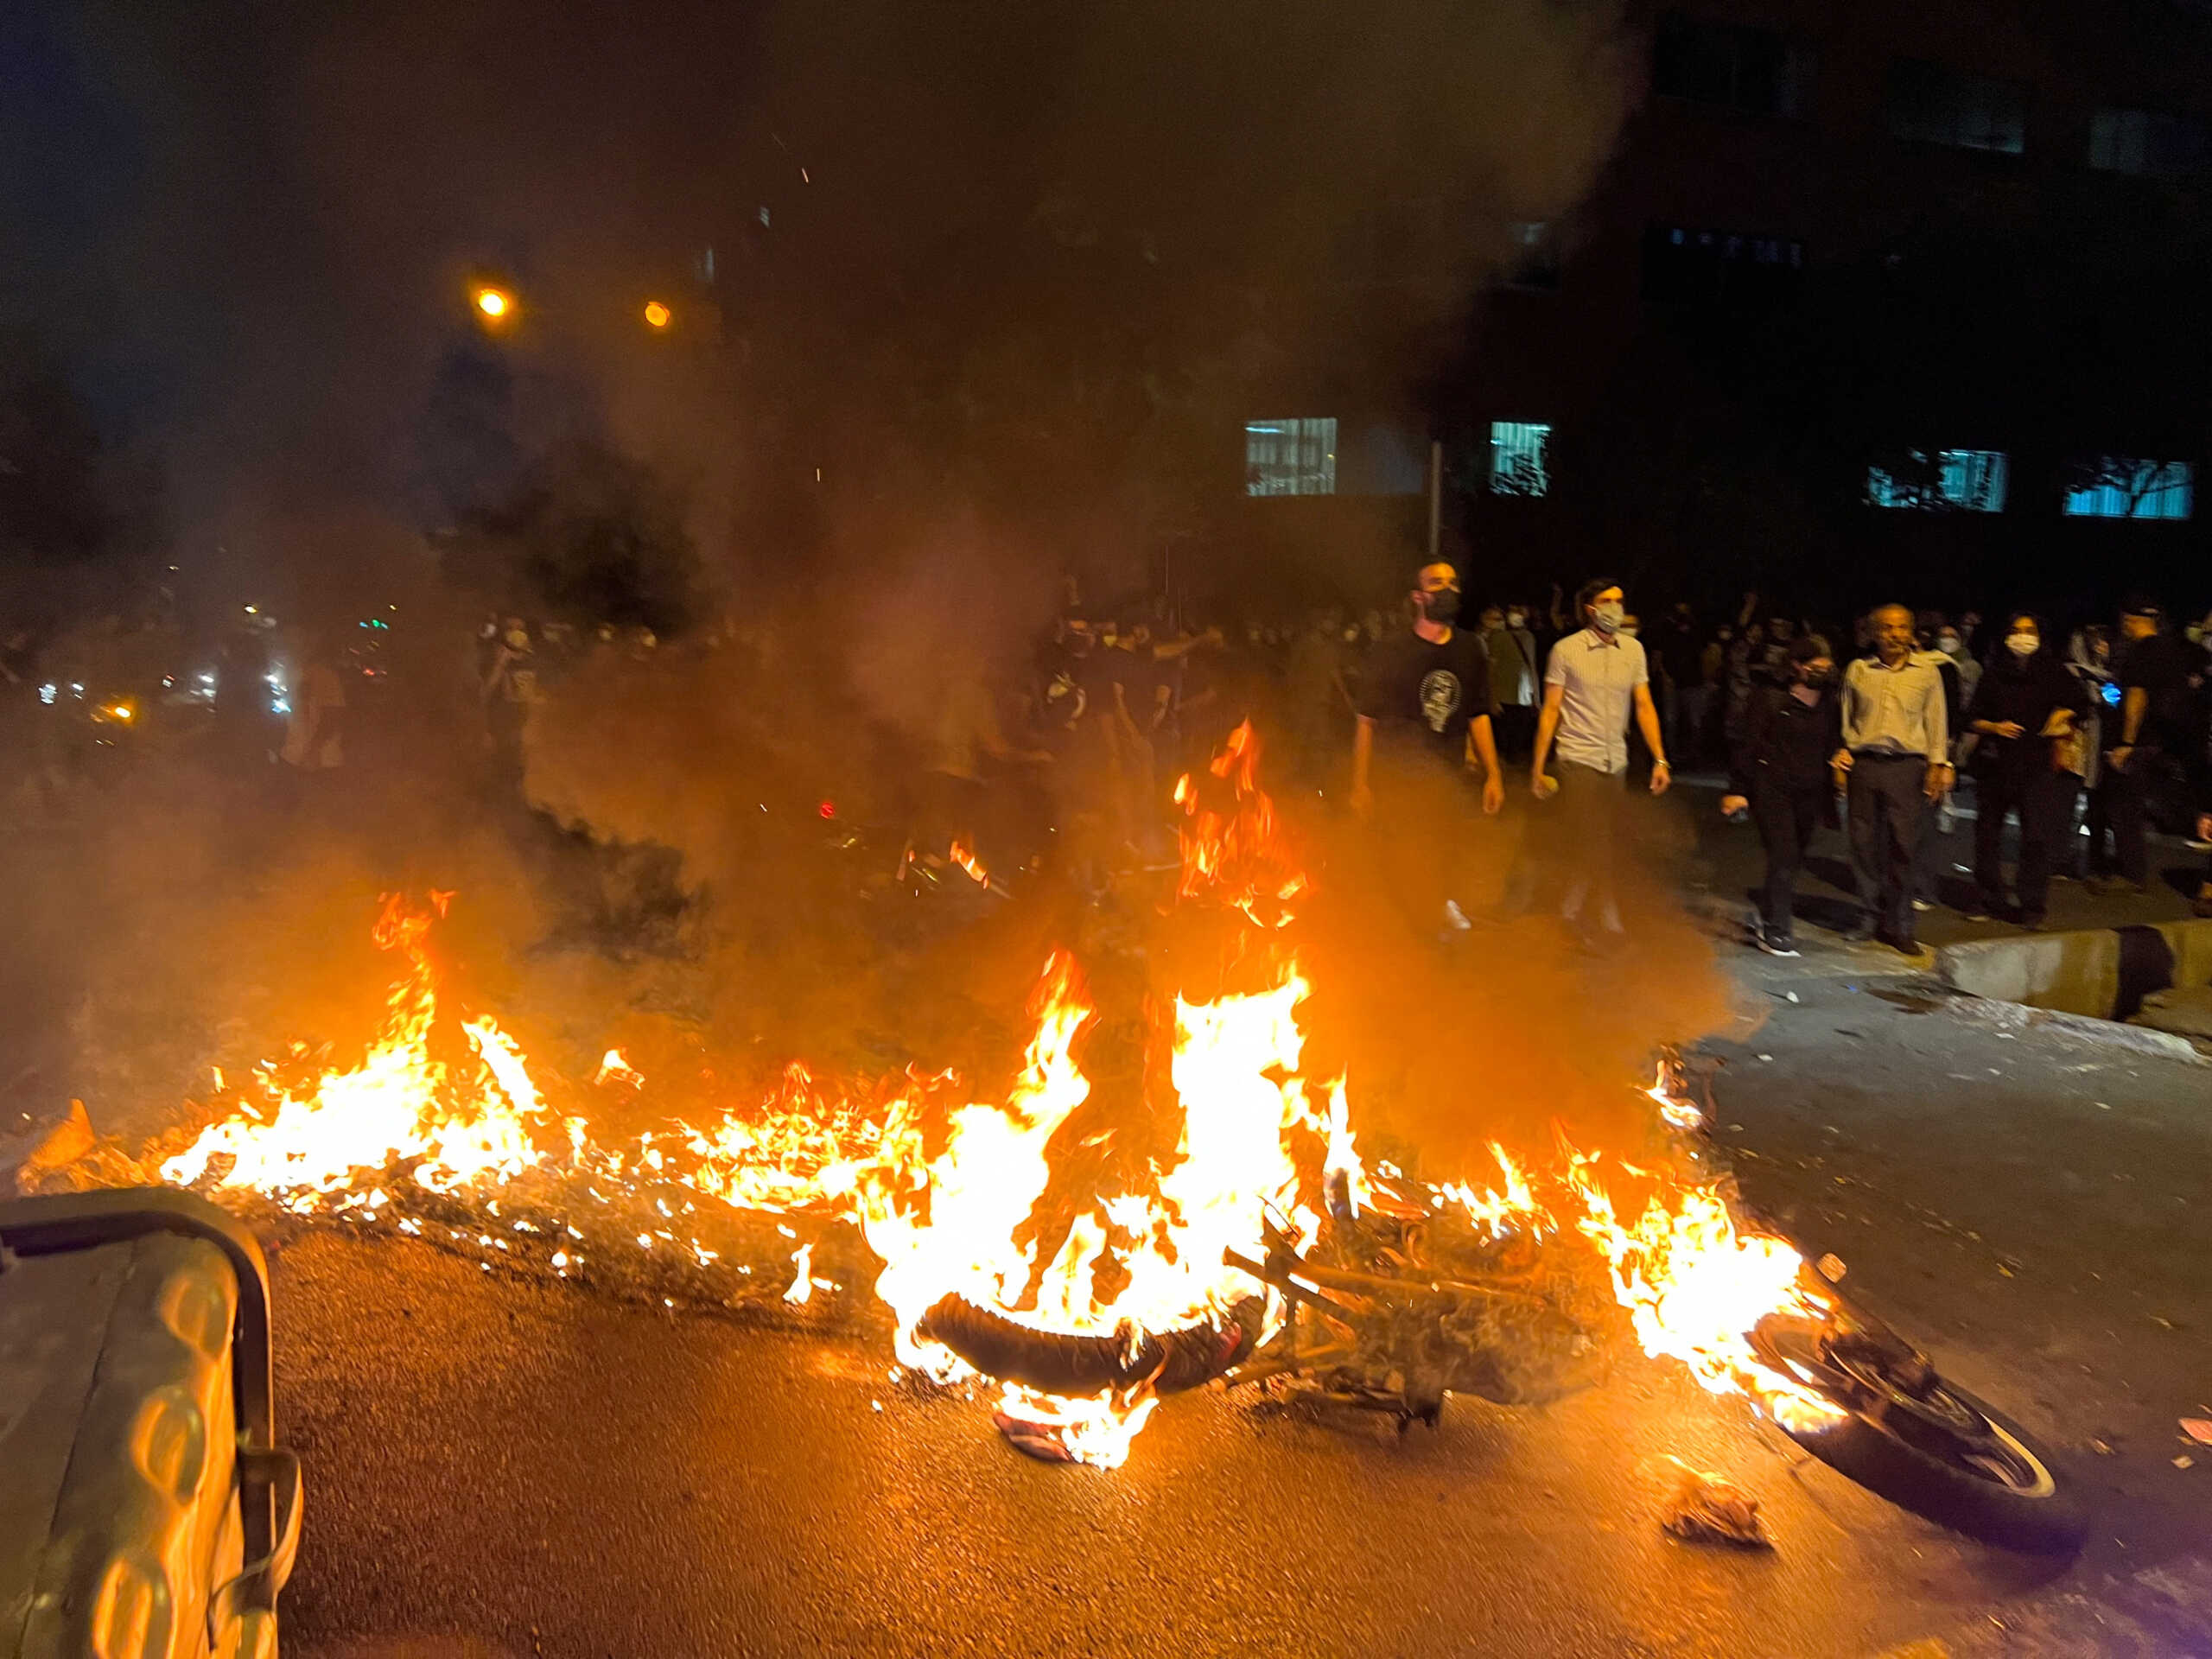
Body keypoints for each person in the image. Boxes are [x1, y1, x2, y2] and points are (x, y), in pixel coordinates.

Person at [1351, 561, 1505, 931]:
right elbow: (1365, 720)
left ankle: (1435, 915)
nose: (1447, 589)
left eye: (1452, 582)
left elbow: (1478, 715)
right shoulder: (1390, 650)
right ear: (1418, 597)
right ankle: (1405, 929)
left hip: (1448, 773)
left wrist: (1494, 775)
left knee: (1446, 847)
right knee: (1404, 855)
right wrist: (1359, 783)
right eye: (1437, 583)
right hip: (1399, 774)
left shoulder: (1471, 648)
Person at [1530, 577, 1671, 946]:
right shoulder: (1566, 651)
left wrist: (1660, 759)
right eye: (1606, 601)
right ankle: (1592, 914)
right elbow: (1551, 710)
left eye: (1619, 600)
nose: (1615, 607)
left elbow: (1643, 705)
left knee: (1606, 838)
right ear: (1590, 609)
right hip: (1578, 757)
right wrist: (1537, 767)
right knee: (1592, 838)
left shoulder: (1633, 651)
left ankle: (1576, 911)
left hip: (1616, 761)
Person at [1834, 602, 1951, 953]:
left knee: (1905, 847)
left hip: (1907, 768)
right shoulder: (1859, 670)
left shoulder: (1927, 672)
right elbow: (1846, 718)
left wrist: (1938, 764)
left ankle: (1899, 924)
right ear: (1873, 633)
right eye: (1886, 628)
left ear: (1911, 632)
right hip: (1865, 766)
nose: (1894, 634)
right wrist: (1843, 755)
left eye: (1901, 627)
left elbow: (1936, 720)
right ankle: (1869, 917)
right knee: (1863, 844)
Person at [1961, 613, 2086, 929]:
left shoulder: (2055, 672)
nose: (2022, 636)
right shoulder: (1993, 674)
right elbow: (1972, 717)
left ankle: (2032, 905)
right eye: (2016, 630)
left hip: (2038, 766)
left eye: (2029, 631)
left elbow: (2082, 705)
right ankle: (1988, 898)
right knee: (1987, 836)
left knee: (2036, 839)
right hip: (1995, 764)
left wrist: (2062, 717)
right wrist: (1995, 727)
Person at [1720, 633, 1841, 957]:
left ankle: (1772, 910)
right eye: (1816, 664)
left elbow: (1837, 741)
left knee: (1794, 857)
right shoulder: (1771, 699)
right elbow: (1748, 745)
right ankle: (1776, 929)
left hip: (1811, 792)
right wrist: (1737, 791)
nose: (1823, 670)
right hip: (1773, 790)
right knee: (1784, 855)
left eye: (1827, 664)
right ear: (1797, 666)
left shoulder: (1832, 702)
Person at [2091, 596, 2194, 897]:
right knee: (2131, 805)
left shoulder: (2139, 653)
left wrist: (2126, 743)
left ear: (2131, 620)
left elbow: (2135, 699)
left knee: (2123, 806)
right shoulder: (2171, 651)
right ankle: (2130, 868)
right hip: (2163, 740)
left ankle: (2132, 873)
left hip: (2139, 741)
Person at [1479, 603, 1541, 761]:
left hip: (1525, 696)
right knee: (1503, 738)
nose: (1517, 616)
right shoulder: (1498, 637)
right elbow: (1491, 669)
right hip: (1505, 696)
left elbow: (1532, 666)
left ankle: (1514, 773)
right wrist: (1494, 698)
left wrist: (1536, 698)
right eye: (1513, 612)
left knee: (1518, 738)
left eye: (1520, 612)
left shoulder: (1529, 637)